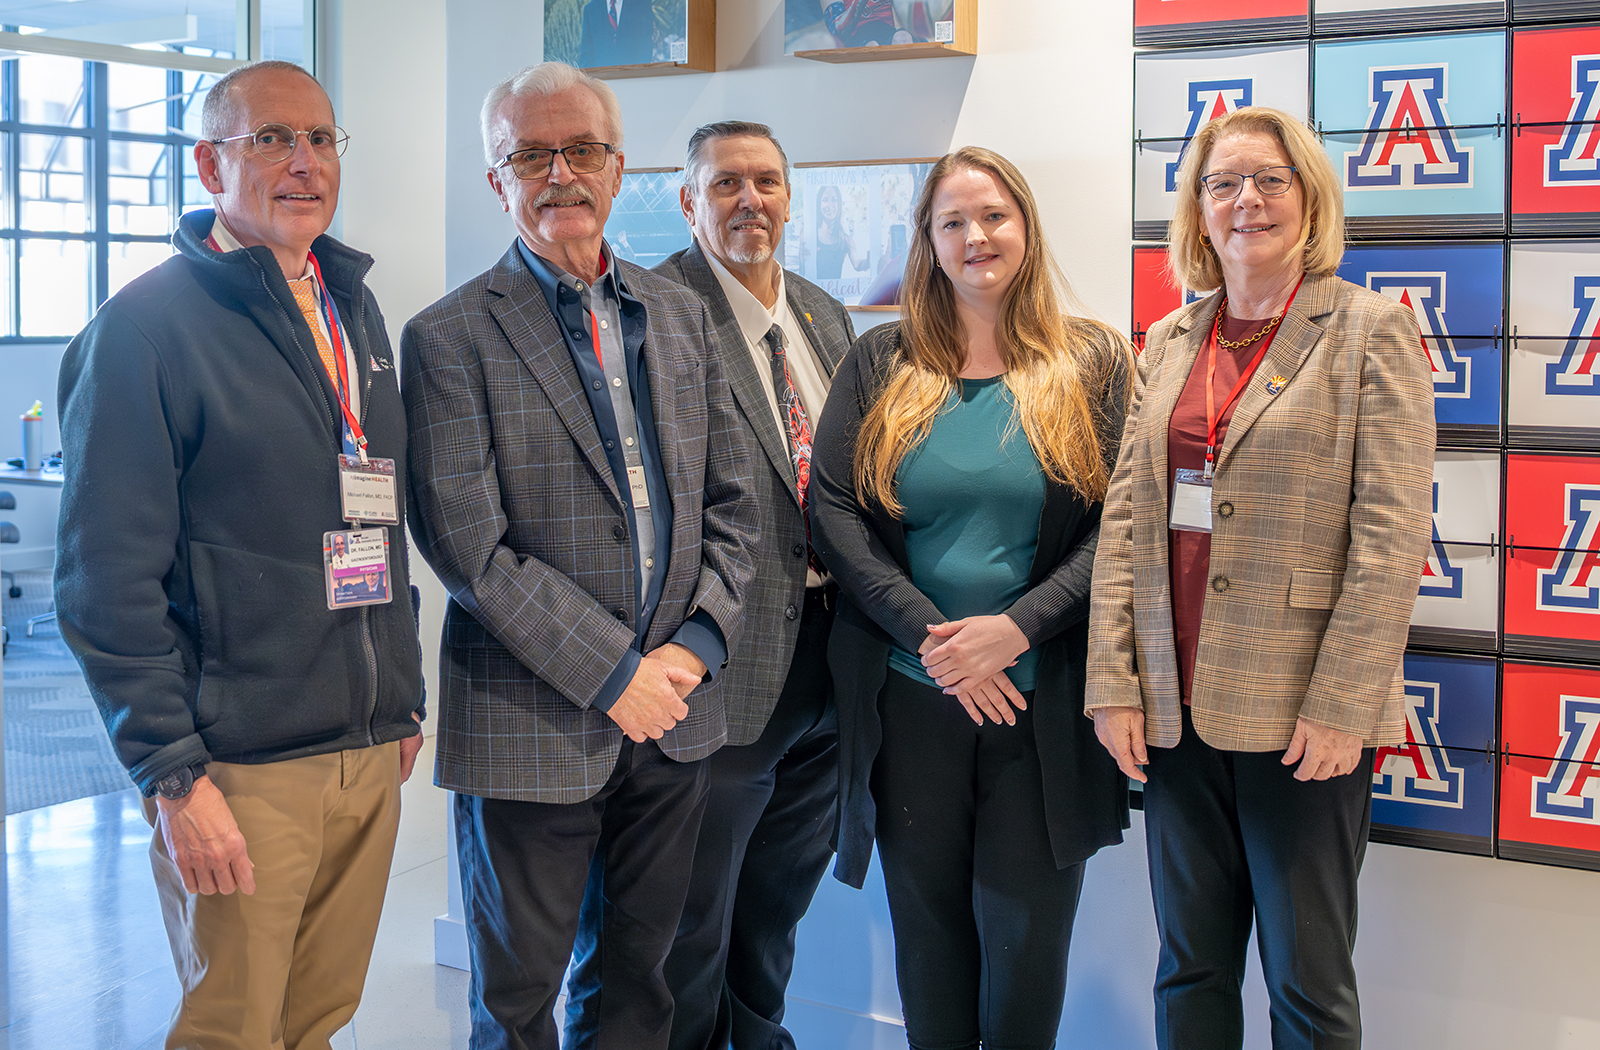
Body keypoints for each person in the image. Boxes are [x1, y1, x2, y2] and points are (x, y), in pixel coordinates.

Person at [54, 60, 426, 1050]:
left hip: (362, 744)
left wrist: (400, 695)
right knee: (233, 1029)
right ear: (210, 164)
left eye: (319, 139)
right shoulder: (145, 329)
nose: (303, 162)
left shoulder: (354, 310)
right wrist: (174, 775)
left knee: (318, 1021)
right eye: (271, 139)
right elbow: (104, 582)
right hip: (239, 767)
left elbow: (379, 523)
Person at [401, 61, 759, 1050]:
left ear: (618, 167)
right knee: (518, 1003)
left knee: (640, 983)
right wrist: (614, 676)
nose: (559, 172)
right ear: (496, 178)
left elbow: (735, 507)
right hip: (530, 723)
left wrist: (689, 650)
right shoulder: (448, 336)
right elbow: (470, 548)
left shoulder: (679, 313)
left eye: (581, 150)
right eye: (530, 153)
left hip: (676, 717)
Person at [1086, 105, 1435, 1050]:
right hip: (1175, 702)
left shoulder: (1370, 333)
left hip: (1303, 718)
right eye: (1223, 183)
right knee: (1189, 967)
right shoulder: (1165, 340)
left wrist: (1343, 701)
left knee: (1307, 983)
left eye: (1270, 181)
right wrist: (1114, 683)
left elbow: (1392, 536)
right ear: (1198, 211)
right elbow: (1127, 523)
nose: (1248, 201)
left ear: (1308, 199)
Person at [808, 146, 1133, 1050]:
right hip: (909, 700)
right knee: (928, 932)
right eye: (951, 221)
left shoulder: (1094, 361)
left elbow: (1123, 526)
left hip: (1043, 705)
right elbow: (830, 510)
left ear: (1025, 226)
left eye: (992, 216)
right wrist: (940, 643)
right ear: (928, 241)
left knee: (1027, 940)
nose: (975, 236)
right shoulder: (881, 360)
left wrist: (1015, 630)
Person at [653, 120, 855, 1050]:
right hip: (721, 663)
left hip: (828, 662)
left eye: (767, 181)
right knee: (690, 919)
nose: (750, 201)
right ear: (688, 200)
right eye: (725, 184)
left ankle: (757, 1035)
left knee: (777, 904)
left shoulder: (821, 313)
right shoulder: (655, 310)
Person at [578, 0, 654, 68]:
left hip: (633, 79)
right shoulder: (590, 9)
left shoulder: (642, 5)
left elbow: (645, 50)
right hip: (601, 80)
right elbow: (586, 56)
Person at [813, 184, 865, 280]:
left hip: (835, 294)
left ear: (839, 203)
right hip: (812, 294)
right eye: (825, 200)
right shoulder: (809, 235)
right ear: (819, 203)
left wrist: (869, 262)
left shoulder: (845, 239)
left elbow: (857, 263)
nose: (829, 205)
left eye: (834, 200)